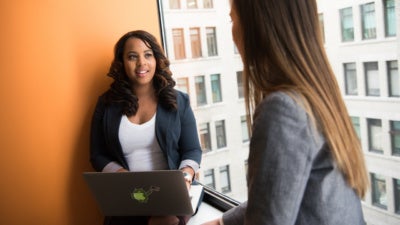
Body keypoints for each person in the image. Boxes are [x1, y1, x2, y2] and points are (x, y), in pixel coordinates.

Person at [202, 0, 369, 224]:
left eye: (233, 19)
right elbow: (280, 193)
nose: (232, 34)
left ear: (258, 26)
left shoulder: (282, 110)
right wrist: (222, 222)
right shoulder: (316, 95)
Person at [90, 30, 202, 225]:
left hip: (170, 195)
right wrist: (122, 177)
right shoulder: (106, 104)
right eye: (132, 57)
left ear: (156, 59)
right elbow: (97, 154)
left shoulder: (178, 101)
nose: (141, 63)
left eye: (148, 55)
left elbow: (192, 149)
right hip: (128, 196)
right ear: (122, 63)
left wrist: (184, 177)